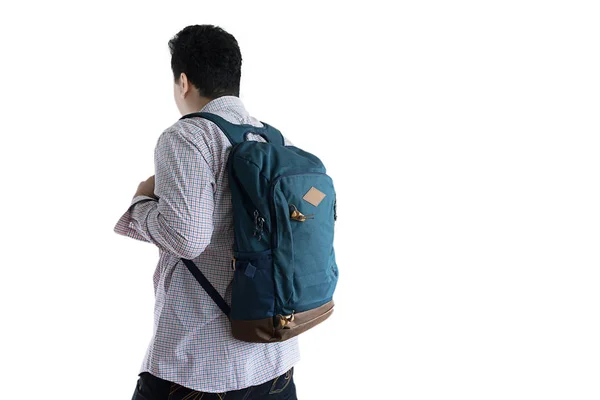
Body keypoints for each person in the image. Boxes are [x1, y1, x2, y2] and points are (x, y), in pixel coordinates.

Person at [114, 24, 299, 400]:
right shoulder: (273, 139)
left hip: (200, 363)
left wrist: (141, 204)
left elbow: (188, 238)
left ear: (183, 81)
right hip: (275, 353)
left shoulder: (186, 136)